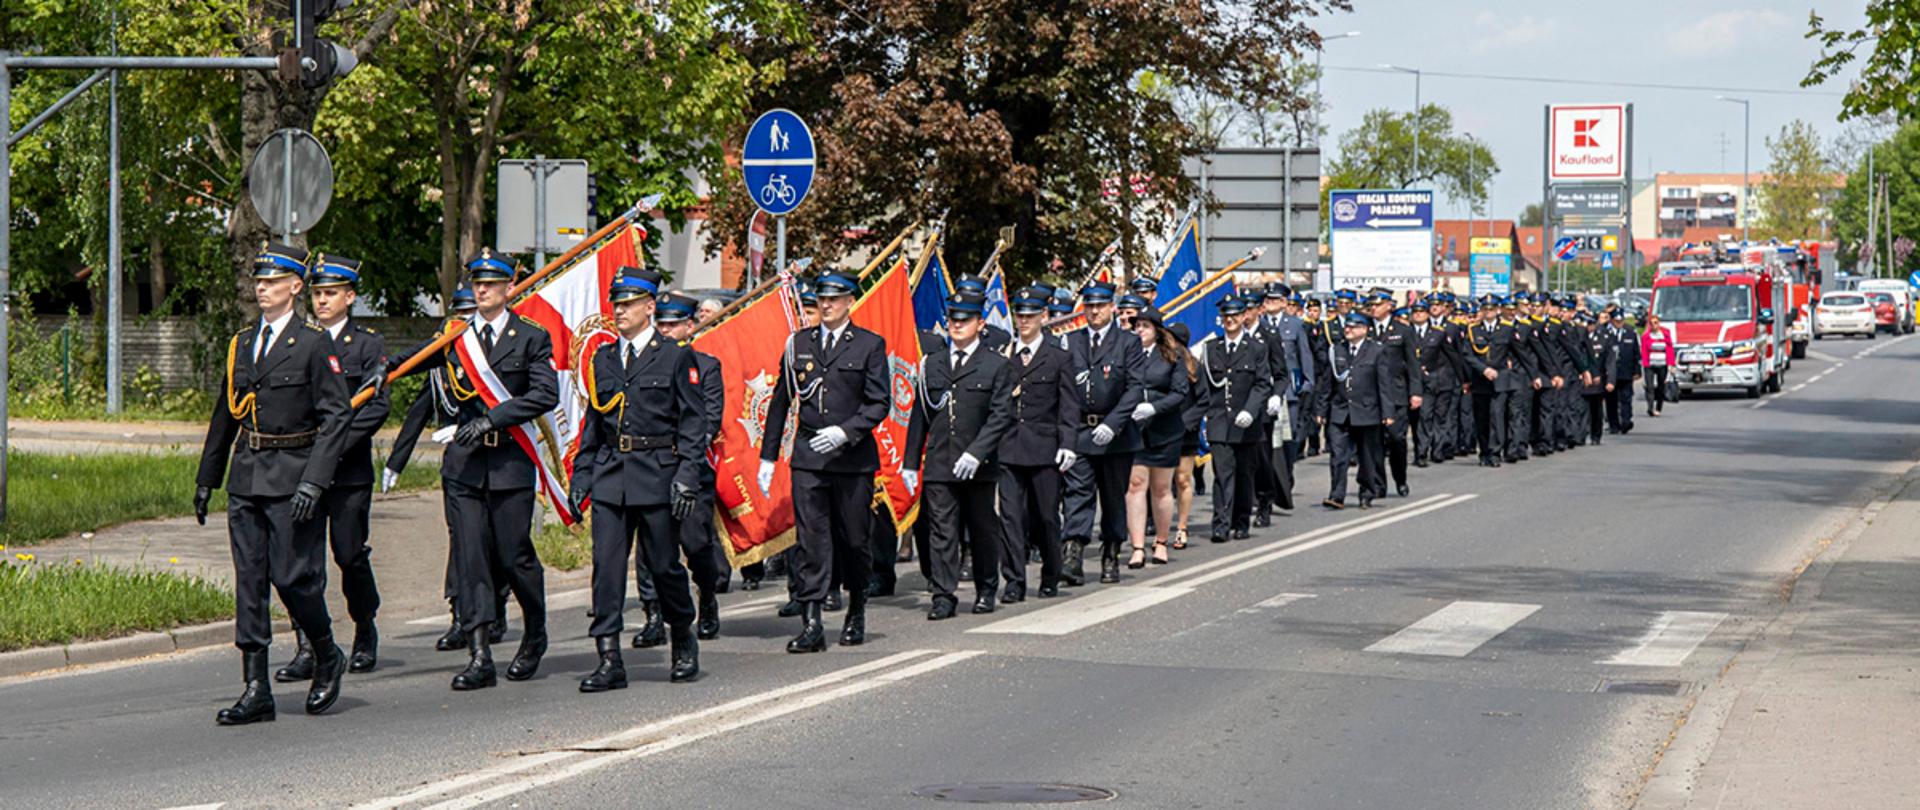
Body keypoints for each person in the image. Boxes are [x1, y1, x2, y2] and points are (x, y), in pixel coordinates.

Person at [195, 242, 358, 725]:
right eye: (258, 281)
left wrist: (315, 480)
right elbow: (225, 413)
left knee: (293, 579)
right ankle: (256, 687)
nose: (260, 287)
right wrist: (208, 477)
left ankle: (326, 652)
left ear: (295, 286)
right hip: (247, 475)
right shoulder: (243, 343)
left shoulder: (313, 343)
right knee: (250, 584)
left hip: (292, 476)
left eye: (270, 281)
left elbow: (337, 417)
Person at [396, 248, 559, 691]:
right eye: (476, 284)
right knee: (470, 559)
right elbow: (409, 361)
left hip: (509, 462)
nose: (482, 290)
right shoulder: (456, 338)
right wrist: (381, 368)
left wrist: (494, 418)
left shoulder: (530, 337)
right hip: (464, 468)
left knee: (514, 557)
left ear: (508, 288)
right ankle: (479, 653)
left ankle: (535, 629)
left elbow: (546, 395)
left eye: (490, 284)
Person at [570, 271, 710, 690]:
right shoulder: (603, 359)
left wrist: (687, 476)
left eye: (629, 303)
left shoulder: (674, 357)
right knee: (606, 568)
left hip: (656, 473)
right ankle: (609, 658)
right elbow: (594, 422)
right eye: (616, 303)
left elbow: (692, 423)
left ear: (650, 307)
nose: (619, 311)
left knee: (664, 566)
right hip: (612, 474)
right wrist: (582, 475)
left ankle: (682, 633)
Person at [272, 251, 389, 684]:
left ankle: (364, 624)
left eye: (331, 294)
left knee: (349, 555)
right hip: (303, 472)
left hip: (348, 472)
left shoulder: (368, 345)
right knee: (304, 562)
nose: (322, 301)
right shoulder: (296, 342)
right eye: (317, 294)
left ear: (350, 297)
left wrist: (331, 445)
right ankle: (309, 644)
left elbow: (374, 409)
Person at [758, 270, 890, 652]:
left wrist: (848, 431)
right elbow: (781, 401)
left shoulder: (868, 345)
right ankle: (812, 621)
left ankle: (856, 610)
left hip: (851, 460)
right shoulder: (798, 343)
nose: (826, 305)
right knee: (811, 541)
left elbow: (879, 401)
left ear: (850, 301)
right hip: (809, 457)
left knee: (853, 540)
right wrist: (768, 457)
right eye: (821, 299)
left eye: (835, 298)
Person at [385, 285, 490, 653]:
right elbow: (419, 412)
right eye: (454, 317)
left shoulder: (491, 361)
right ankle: (460, 614)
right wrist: (395, 463)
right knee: (461, 539)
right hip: (459, 463)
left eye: (465, 317)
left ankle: (495, 606)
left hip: (496, 460)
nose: (457, 325)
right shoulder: (443, 365)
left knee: (497, 541)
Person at [905, 292, 1015, 618]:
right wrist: (911, 462)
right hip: (941, 461)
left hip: (978, 467)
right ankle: (943, 594)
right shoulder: (933, 363)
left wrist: (977, 453)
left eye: (964, 319)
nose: (957, 324)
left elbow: (1000, 416)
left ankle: (985, 588)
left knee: (981, 529)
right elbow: (920, 413)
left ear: (980, 324)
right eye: (953, 319)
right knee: (941, 530)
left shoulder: (996, 365)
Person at [995, 288, 1079, 599]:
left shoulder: (1059, 357)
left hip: (1045, 448)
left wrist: (1068, 443)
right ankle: (1014, 581)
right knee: (1011, 517)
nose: (1024, 321)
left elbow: (1069, 405)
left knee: (1046, 516)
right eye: (1020, 315)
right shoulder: (1004, 356)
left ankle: (1051, 573)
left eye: (1031, 316)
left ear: (1043, 317)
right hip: (1009, 447)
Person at [1061, 281, 1146, 584]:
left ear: (1112, 307)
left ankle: (1111, 552)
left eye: (1100, 306)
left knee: (1112, 498)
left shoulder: (1128, 342)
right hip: (1081, 431)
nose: (1094, 311)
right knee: (1077, 494)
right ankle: (1073, 553)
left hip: (1116, 436)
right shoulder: (1071, 341)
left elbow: (1135, 387)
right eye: (1089, 306)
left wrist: (1113, 423)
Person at [1195, 296, 1270, 540]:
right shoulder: (1211, 348)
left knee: (1244, 474)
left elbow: (1261, 384)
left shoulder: (1256, 347)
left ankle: (1241, 521)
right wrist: (1203, 415)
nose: (1230, 320)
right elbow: (1205, 386)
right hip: (1219, 420)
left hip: (1246, 423)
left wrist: (1250, 410)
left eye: (1235, 315)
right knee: (1222, 474)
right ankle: (1220, 523)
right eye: (1226, 316)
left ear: (1243, 317)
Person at [1125, 308, 1190, 567]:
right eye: (1137, 326)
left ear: (1157, 331)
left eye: (1145, 326)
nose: (1139, 330)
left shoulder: (1172, 356)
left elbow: (1180, 392)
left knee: (1161, 488)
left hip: (1164, 429)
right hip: (1134, 430)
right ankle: (1137, 546)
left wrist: (1154, 407)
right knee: (1134, 485)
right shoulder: (1128, 355)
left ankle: (1161, 541)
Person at [1325, 312, 1393, 509]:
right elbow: (1327, 382)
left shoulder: (1377, 351)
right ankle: (1336, 495)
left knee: (1366, 456)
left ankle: (1366, 492)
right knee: (1338, 456)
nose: (1348, 330)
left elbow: (1384, 384)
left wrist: (1387, 413)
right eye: (1347, 326)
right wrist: (1321, 410)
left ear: (1364, 330)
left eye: (1354, 327)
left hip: (1367, 411)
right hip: (1340, 411)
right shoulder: (1337, 349)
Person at [1367, 291, 1421, 496]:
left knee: (1397, 439)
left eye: (1378, 305)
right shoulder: (1365, 329)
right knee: (1375, 442)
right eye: (1371, 305)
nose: (1373, 308)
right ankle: (1379, 484)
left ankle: (1400, 478)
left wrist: (1415, 392)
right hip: (1372, 394)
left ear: (1389, 306)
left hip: (1396, 393)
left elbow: (1413, 364)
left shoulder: (1403, 330)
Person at [1463, 296, 1517, 468]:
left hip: (1500, 380)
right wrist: (1483, 369)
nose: (1488, 312)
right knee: (1481, 418)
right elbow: (1467, 355)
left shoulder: (1507, 329)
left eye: (1491, 309)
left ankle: (1494, 452)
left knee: (1496, 416)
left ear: (1498, 310)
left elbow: (1517, 351)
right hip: (1480, 380)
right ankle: (1484, 451)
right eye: (1485, 309)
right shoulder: (1473, 330)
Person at [1169, 322, 1207, 552]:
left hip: (1185, 432)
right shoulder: (1159, 363)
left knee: (1183, 479)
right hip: (1161, 430)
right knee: (1160, 484)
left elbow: (1203, 400)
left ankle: (1181, 526)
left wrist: (1185, 423)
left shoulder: (1194, 367)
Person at [1578, 312, 1615, 445]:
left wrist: (1610, 380)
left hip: (1597, 380)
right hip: (1580, 379)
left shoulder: (1604, 338)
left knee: (1596, 410)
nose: (1589, 327)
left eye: (1591, 324)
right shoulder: (1578, 338)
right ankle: (1580, 435)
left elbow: (1610, 361)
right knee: (1581, 409)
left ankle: (1595, 435)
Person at [1606, 308, 1640, 434]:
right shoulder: (1606, 333)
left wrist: (1637, 371)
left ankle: (1626, 420)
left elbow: (1636, 353)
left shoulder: (1630, 333)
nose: (1619, 323)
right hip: (1611, 373)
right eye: (1616, 321)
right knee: (1612, 399)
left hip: (1626, 371)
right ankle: (1613, 424)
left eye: (1621, 321)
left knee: (1626, 397)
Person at [1641, 312, 1675, 416]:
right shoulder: (1646, 336)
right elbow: (1643, 350)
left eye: (1656, 323)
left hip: (1662, 363)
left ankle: (1658, 407)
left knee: (1661, 387)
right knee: (1650, 387)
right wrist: (1644, 364)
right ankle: (1650, 408)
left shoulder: (1665, 334)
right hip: (1650, 364)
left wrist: (1671, 364)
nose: (1654, 325)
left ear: (1659, 323)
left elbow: (1670, 349)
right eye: (1651, 323)